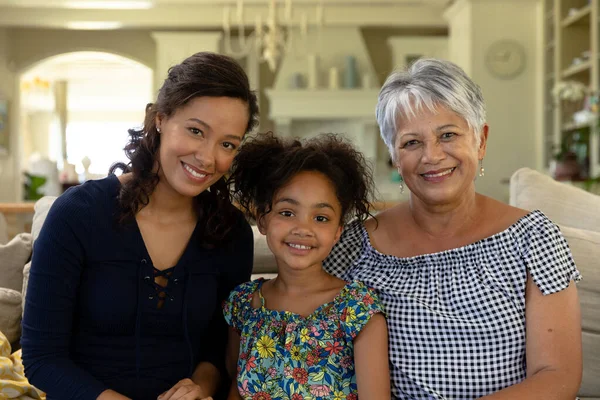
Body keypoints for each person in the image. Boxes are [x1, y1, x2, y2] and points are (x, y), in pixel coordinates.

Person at [324, 58, 583, 399]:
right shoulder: (354, 244)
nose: (432, 156)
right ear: (394, 157)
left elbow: (557, 376)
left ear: (481, 140)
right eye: (411, 143)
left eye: (447, 135)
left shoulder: (533, 238)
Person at [21, 52, 259, 400]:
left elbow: (217, 349)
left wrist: (200, 387)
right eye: (195, 131)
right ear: (160, 119)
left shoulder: (231, 232)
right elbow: (42, 358)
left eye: (227, 144)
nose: (208, 158)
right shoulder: (77, 214)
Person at [223, 133, 391, 400]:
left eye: (321, 217)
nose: (303, 229)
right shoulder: (243, 304)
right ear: (262, 219)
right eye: (287, 213)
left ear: (338, 231)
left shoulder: (357, 309)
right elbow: (235, 387)